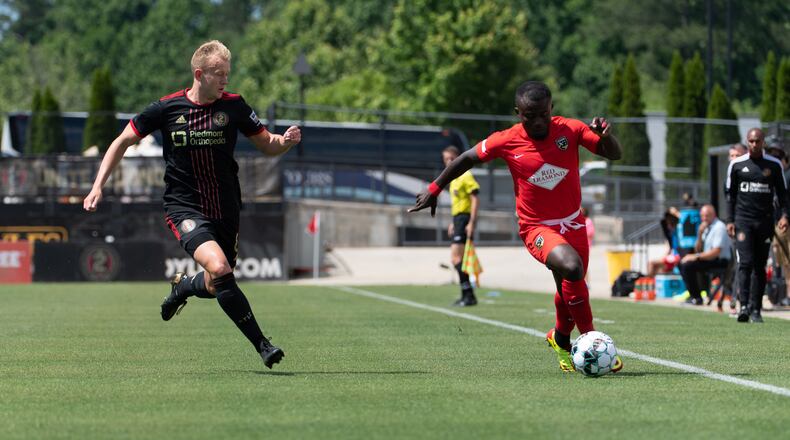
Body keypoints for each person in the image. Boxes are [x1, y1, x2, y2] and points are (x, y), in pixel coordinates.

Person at [83, 40, 301, 368]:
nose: (226, 79)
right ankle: (263, 345)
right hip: (184, 207)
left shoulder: (235, 106)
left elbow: (267, 144)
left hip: (225, 209)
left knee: (216, 282)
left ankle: (184, 286)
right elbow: (122, 140)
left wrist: (284, 142)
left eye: (228, 73)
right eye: (219, 74)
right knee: (220, 268)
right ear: (200, 74)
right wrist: (98, 186)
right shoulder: (166, 109)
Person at [409, 81, 623, 373]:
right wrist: (435, 188)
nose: (537, 121)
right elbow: (466, 158)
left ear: (552, 109)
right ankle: (592, 341)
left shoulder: (570, 130)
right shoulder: (506, 140)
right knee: (571, 268)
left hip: (573, 223)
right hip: (536, 227)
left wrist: (606, 137)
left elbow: (613, 154)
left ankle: (560, 338)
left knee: (570, 289)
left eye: (543, 114)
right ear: (518, 112)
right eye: (529, 115)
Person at [725, 128, 788, 323]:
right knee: (745, 263)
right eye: (751, 141)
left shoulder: (774, 165)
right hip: (743, 221)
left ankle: (756, 309)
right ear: (747, 141)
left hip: (765, 221)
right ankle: (743, 306)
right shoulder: (736, 165)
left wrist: (784, 215)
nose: (754, 144)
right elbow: (730, 195)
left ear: (763, 143)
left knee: (760, 266)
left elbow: (783, 194)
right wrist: (730, 221)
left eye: (757, 141)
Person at [442, 145, 480, 306]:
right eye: (446, 159)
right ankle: (467, 294)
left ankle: (469, 295)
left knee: (456, 258)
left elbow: (475, 198)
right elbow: (458, 202)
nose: (449, 162)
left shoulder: (465, 175)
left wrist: (471, 222)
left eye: (452, 158)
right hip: (458, 219)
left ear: (458, 158)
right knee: (458, 259)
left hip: (464, 219)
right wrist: (453, 221)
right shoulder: (454, 179)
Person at [677, 204, 732, 305]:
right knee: (682, 263)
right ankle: (694, 296)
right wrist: (699, 234)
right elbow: (697, 249)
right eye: (702, 216)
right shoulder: (705, 227)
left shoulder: (719, 227)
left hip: (720, 261)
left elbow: (716, 252)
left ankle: (697, 298)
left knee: (687, 265)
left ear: (713, 215)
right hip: (709, 259)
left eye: (707, 215)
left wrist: (695, 257)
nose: (704, 218)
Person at [647, 207, 681, 277]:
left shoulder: (680, 228)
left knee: (653, 264)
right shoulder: (671, 234)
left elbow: (681, 219)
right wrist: (664, 257)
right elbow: (669, 249)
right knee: (657, 267)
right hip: (673, 257)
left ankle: (649, 282)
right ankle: (650, 284)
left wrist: (676, 213)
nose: (668, 225)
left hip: (679, 257)